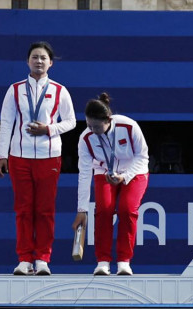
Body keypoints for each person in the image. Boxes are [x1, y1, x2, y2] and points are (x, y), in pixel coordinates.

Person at [0, 41, 76, 276]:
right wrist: (2, 155)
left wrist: (49, 129)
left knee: (44, 210)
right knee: (23, 210)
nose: (39, 61)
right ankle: (24, 259)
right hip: (19, 156)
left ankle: (42, 258)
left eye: (43, 57)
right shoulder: (15, 89)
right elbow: (6, 123)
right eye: (34, 57)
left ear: (51, 63)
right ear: (27, 61)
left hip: (49, 156)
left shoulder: (60, 91)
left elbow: (71, 122)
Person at [73, 93, 149, 276]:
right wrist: (81, 209)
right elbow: (84, 173)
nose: (92, 130)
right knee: (104, 211)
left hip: (134, 171)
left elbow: (142, 156)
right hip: (103, 172)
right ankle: (103, 262)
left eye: (96, 126)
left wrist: (126, 176)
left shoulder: (129, 126)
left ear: (108, 120)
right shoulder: (86, 138)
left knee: (127, 209)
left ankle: (124, 261)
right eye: (88, 125)